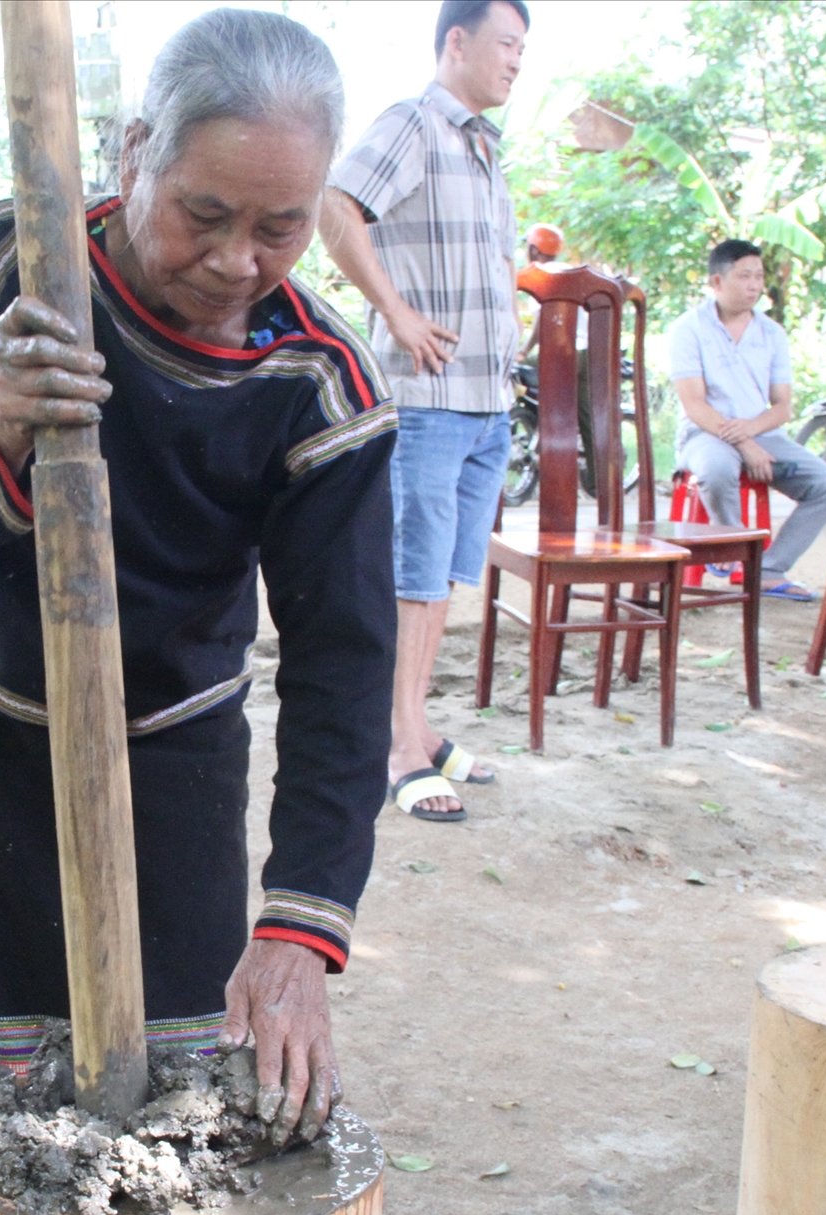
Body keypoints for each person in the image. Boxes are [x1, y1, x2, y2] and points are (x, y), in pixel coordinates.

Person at [0, 10, 396, 1215]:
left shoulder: (321, 385)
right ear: (129, 156)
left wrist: (301, 928)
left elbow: (343, 668)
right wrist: (0, 430)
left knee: (170, 1112)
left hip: (173, 749)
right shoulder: (11, 268)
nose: (236, 260)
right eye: (204, 214)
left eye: (280, 226)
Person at [320, 0, 528, 822]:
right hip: (429, 399)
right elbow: (336, 207)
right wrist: (398, 313)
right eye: (506, 44)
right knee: (412, 578)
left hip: (484, 402)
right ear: (457, 42)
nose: (516, 61)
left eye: (523, 48)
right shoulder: (413, 123)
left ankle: (417, 722)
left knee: (443, 575)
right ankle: (400, 746)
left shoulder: (485, 151)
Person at [670, 239, 826, 601]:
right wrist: (744, 443)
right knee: (717, 469)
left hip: (762, 433)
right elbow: (694, 404)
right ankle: (728, 544)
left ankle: (768, 569)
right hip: (705, 433)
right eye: (744, 276)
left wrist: (751, 432)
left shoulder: (772, 334)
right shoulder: (688, 328)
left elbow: (782, 407)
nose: (754, 285)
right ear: (716, 282)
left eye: (758, 277)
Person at [519, 222, 596, 489]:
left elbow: (541, 325)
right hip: (587, 354)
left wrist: (524, 351)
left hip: (560, 355)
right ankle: (598, 482)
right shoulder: (570, 271)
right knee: (587, 417)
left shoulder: (539, 274)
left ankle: (538, 432)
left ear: (532, 249)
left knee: (520, 372)